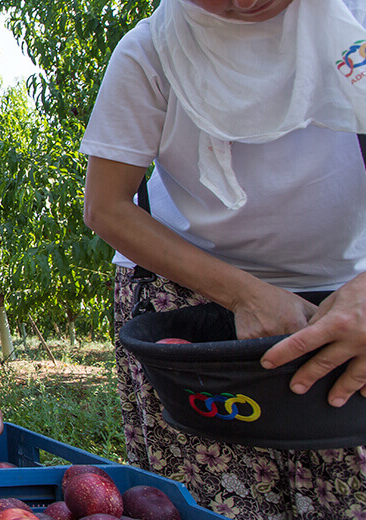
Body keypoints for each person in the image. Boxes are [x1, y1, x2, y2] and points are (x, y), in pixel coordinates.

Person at [81, 0, 366, 517]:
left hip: (349, 300)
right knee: (211, 498)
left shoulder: (356, 28)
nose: (242, 1)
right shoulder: (151, 52)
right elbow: (107, 206)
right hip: (193, 301)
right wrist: (243, 294)